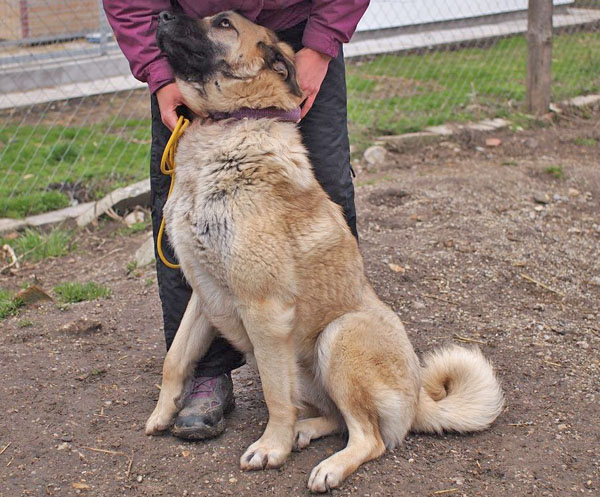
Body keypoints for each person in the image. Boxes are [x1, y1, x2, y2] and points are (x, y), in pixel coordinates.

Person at [103, 0, 369, 440]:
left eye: (221, 26)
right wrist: (158, 71)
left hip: (298, 33)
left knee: (330, 190)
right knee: (181, 236)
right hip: (206, 74)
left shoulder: (267, 57)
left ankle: (328, 356)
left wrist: (321, 45)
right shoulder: (205, 39)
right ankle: (205, 377)